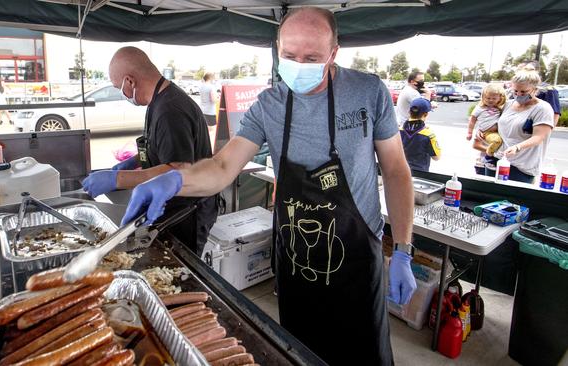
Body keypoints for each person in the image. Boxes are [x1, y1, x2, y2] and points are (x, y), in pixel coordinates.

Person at [119, 8, 415, 365]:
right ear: (277, 48)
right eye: (289, 56)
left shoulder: (368, 92)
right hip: (294, 260)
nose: (299, 65)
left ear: (334, 53)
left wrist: (402, 249)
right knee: (298, 353)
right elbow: (223, 166)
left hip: (355, 257)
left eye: (312, 58)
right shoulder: (269, 105)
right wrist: (169, 181)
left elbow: (396, 170)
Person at [81, 46, 218, 254]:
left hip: (189, 210)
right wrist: (134, 161)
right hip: (172, 203)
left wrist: (117, 178)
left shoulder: (170, 110)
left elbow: (176, 169)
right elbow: (160, 147)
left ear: (130, 81)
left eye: (119, 87)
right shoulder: (159, 100)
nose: (122, 93)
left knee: (180, 271)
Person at [482, 64, 554, 183]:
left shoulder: (543, 109)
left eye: (523, 91)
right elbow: (497, 125)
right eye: (515, 91)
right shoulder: (508, 105)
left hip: (521, 166)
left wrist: (517, 147)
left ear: (535, 89)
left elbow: (538, 137)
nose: (519, 94)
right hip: (497, 159)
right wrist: (484, 131)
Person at [467, 84, 507, 173]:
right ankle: (488, 157)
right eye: (488, 98)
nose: (490, 100)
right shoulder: (480, 108)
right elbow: (472, 120)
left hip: (495, 137)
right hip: (483, 157)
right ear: (483, 97)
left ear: (500, 98)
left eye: (494, 98)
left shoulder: (500, 108)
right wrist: (469, 133)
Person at [400, 98, 441, 172]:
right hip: (420, 173)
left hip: (401, 170)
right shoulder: (428, 135)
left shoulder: (398, 131)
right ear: (426, 114)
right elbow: (436, 157)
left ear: (409, 112)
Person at [199, 72, 219, 137]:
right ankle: (209, 145)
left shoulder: (201, 86)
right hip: (210, 111)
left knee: (205, 130)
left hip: (202, 110)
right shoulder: (211, 87)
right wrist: (218, 98)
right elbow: (213, 100)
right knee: (212, 131)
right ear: (210, 78)